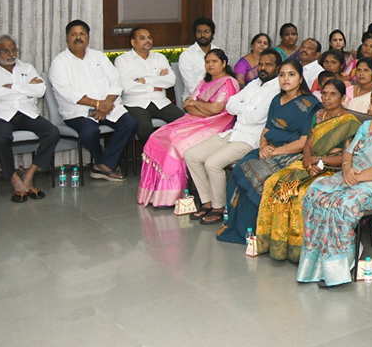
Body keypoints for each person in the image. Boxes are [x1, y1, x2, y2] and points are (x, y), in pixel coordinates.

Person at [294, 86, 372, 286]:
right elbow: (348, 152)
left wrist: (357, 178)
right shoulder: (366, 126)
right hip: (352, 175)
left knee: (342, 204)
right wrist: (347, 169)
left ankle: (339, 267)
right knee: (315, 192)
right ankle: (315, 263)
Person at [252, 77, 360, 261]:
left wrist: (317, 160)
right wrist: (308, 161)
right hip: (308, 163)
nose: (327, 98)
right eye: (324, 93)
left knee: (299, 192)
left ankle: (299, 250)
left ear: (342, 98)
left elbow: (346, 156)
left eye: (333, 94)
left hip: (332, 168)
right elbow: (308, 142)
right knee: (273, 183)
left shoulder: (349, 122)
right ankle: (277, 246)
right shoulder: (318, 116)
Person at [216, 59, 318, 243]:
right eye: (282, 75)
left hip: (291, 153)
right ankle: (239, 228)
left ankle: (258, 232)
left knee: (259, 177)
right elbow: (266, 130)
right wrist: (263, 146)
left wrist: (276, 151)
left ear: (301, 78)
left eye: (291, 74)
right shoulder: (276, 100)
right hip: (269, 149)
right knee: (240, 170)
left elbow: (304, 142)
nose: (286, 79)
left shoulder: (310, 104)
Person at [183, 48, 282, 225]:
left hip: (251, 139)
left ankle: (219, 207)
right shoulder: (254, 83)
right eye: (260, 64)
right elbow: (230, 105)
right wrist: (247, 109)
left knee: (212, 163)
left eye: (268, 64)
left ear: (278, 67)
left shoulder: (277, 89)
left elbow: (256, 117)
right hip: (234, 132)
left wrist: (243, 109)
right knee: (191, 155)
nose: (263, 68)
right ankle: (207, 202)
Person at [136, 49, 241, 207]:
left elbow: (215, 110)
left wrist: (198, 105)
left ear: (224, 63)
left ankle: (172, 195)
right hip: (195, 120)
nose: (210, 65)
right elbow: (187, 105)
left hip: (217, 124)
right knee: (157, 136)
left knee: (176, 143)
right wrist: (201, 108)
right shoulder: (204, 81)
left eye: (214, 61)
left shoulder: (228, 82)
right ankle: (154, 193)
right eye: (207, 62)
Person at [48, 19, 138, 182]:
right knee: (89, 132)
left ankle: (103, 165)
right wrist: (97, 104)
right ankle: (105, 162)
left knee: (130, 123)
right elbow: (67, 92)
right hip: (78, 111)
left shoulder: (99, 56)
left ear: (88, 37)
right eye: (73, 34)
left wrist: (106, 104)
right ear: (67, 38)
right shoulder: (59, 62)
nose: (78, 38)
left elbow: (115, 80)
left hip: (108, 107)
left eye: (82, 34)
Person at [0, 34, 60, 201]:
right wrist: (26, 87)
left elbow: (40, 91)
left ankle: (29, 176)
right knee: (1, 138)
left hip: (26, 112)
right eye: (5, 50)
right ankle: (15, 180)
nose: (11, 54)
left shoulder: (27, 68)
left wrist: (12, 87)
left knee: (52, 132)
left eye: (14, 50)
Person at [115, 28, 184, 142]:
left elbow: (171, 80)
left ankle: (174, 155)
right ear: (133, 42)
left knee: (184, 123)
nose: (147, 40)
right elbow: (127, 87)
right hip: (135, 103)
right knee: (144, 129)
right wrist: (156, 84)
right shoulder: (122, 60)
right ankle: (153, 157)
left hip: (160, 102)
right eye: (142, 38)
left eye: (149, 37)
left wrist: (144, 81)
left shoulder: (159, 58)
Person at [178, 17, 218, 95]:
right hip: (194, 97)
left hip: (218, 96)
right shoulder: (186, 56)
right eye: (199, 32)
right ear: (195, 34)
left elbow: (224, 78)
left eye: (206, 31)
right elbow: (191, 86)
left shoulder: (219, 53)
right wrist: (207, 97)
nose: (202, 35)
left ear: (212, 33)